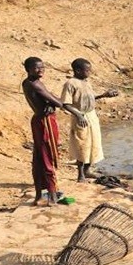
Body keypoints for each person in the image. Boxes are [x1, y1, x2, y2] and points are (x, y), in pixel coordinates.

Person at [21, 57, 85, 206]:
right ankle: (52, 196)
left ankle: (39, 196)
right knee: (48, 157)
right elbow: (58, 102)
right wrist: (56, 104)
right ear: (28, 69)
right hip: (46, 122)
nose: (41, 70)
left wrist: (50, 101)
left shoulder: (27, 83)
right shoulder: (36, 85)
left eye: (42, 67)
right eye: (37, 68)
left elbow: (49, 99)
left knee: (38, 158)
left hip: (38, 120)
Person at [61, 58, 119, 181]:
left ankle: (87, 170)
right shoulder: (70, 83)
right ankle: (80, 174)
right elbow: (65, 104)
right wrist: (79, 115)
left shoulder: (86, 81)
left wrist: (104, 95)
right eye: (87, 70)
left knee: (93, 143)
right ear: (77, 70)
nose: (89, 72)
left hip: (91, 115)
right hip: (80, 116)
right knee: (82, 145)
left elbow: (90, 98)